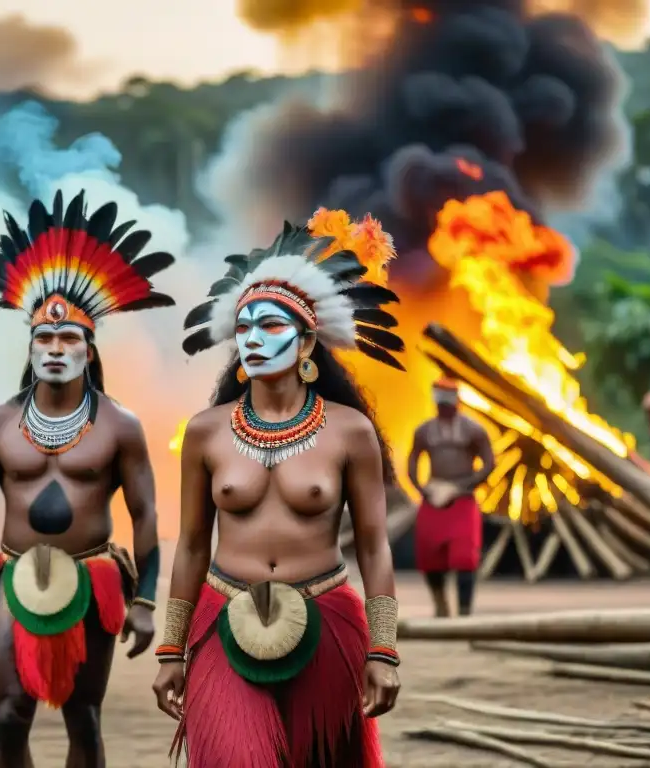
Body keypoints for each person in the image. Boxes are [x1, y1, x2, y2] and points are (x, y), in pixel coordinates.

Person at [153, 209, 405, 767]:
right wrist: (172, 648)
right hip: (223, 619)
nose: (253, 339)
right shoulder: (205, 431)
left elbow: (374, 545)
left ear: (308, 340)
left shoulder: (349, 430)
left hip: (328, 618)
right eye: (243, 328)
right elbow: (193, 544)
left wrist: (384, 649)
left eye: (271, 326)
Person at [0, 189, 172, 767]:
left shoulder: (120, 425)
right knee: (8, 715)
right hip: (15, 577)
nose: (54, 348)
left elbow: (146, 515)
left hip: (92, 579)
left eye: (69, 338)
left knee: (84, 720)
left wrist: (144, 600)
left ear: (89, 351)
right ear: (29, 346)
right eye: (43, 338)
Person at [408, 377, 495, 617]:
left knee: (465, 556)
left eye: (449, 400)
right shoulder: (424, 431)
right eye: (441, 400)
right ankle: (441, 605)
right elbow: (413, 460)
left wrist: (464, 485)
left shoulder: (473, 430)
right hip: (433, 498)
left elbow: (489, 463)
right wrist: (423, 489)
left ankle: (465, 611)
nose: (444, 406)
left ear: (458, 400)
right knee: (429, 554)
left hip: (463, 500)